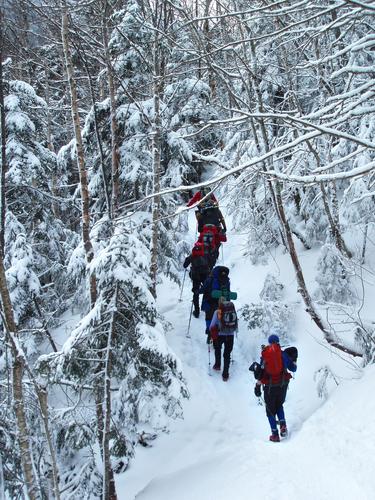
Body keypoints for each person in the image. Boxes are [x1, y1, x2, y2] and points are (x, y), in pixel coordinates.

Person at [254, 334, 297, 442]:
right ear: (278, 342)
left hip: (269, 388)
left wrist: (258, 386)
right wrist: (294, 361)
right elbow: (293, 369)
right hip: (283, 385)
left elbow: (261, 374)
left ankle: (275, 434)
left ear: (269, 343)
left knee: (270, 411)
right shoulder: (283, 355)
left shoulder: (265, 356)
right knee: (279, 405)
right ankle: (283, 425)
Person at [200, 266, 230, 343]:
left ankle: (210, 335)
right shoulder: (227, 280)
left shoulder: (211, 278)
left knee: (209, 318)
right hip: (221, 303)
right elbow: (228, 293)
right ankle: (217, 337)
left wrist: (197, 291)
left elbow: (204, 289)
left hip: (210, 302)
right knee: (219, 319)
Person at [209, 299, 238, 381]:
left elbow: (212, 325)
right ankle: (225, 375)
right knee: (227, 354)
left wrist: (211, 333)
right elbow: (236, 323)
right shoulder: (232, 310)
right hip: (230, 335)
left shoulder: (217, 312)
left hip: (219, 335)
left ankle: (217, 365)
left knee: (218, 349)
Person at [183, 242, 210, 318]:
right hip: (205, 275)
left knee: (196, 292)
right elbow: (210, 263)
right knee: (207, 290)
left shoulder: (192, 256)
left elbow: (185, 265)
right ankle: (206, 307)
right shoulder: (205, 254)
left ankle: (197, 311)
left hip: (195, 276)